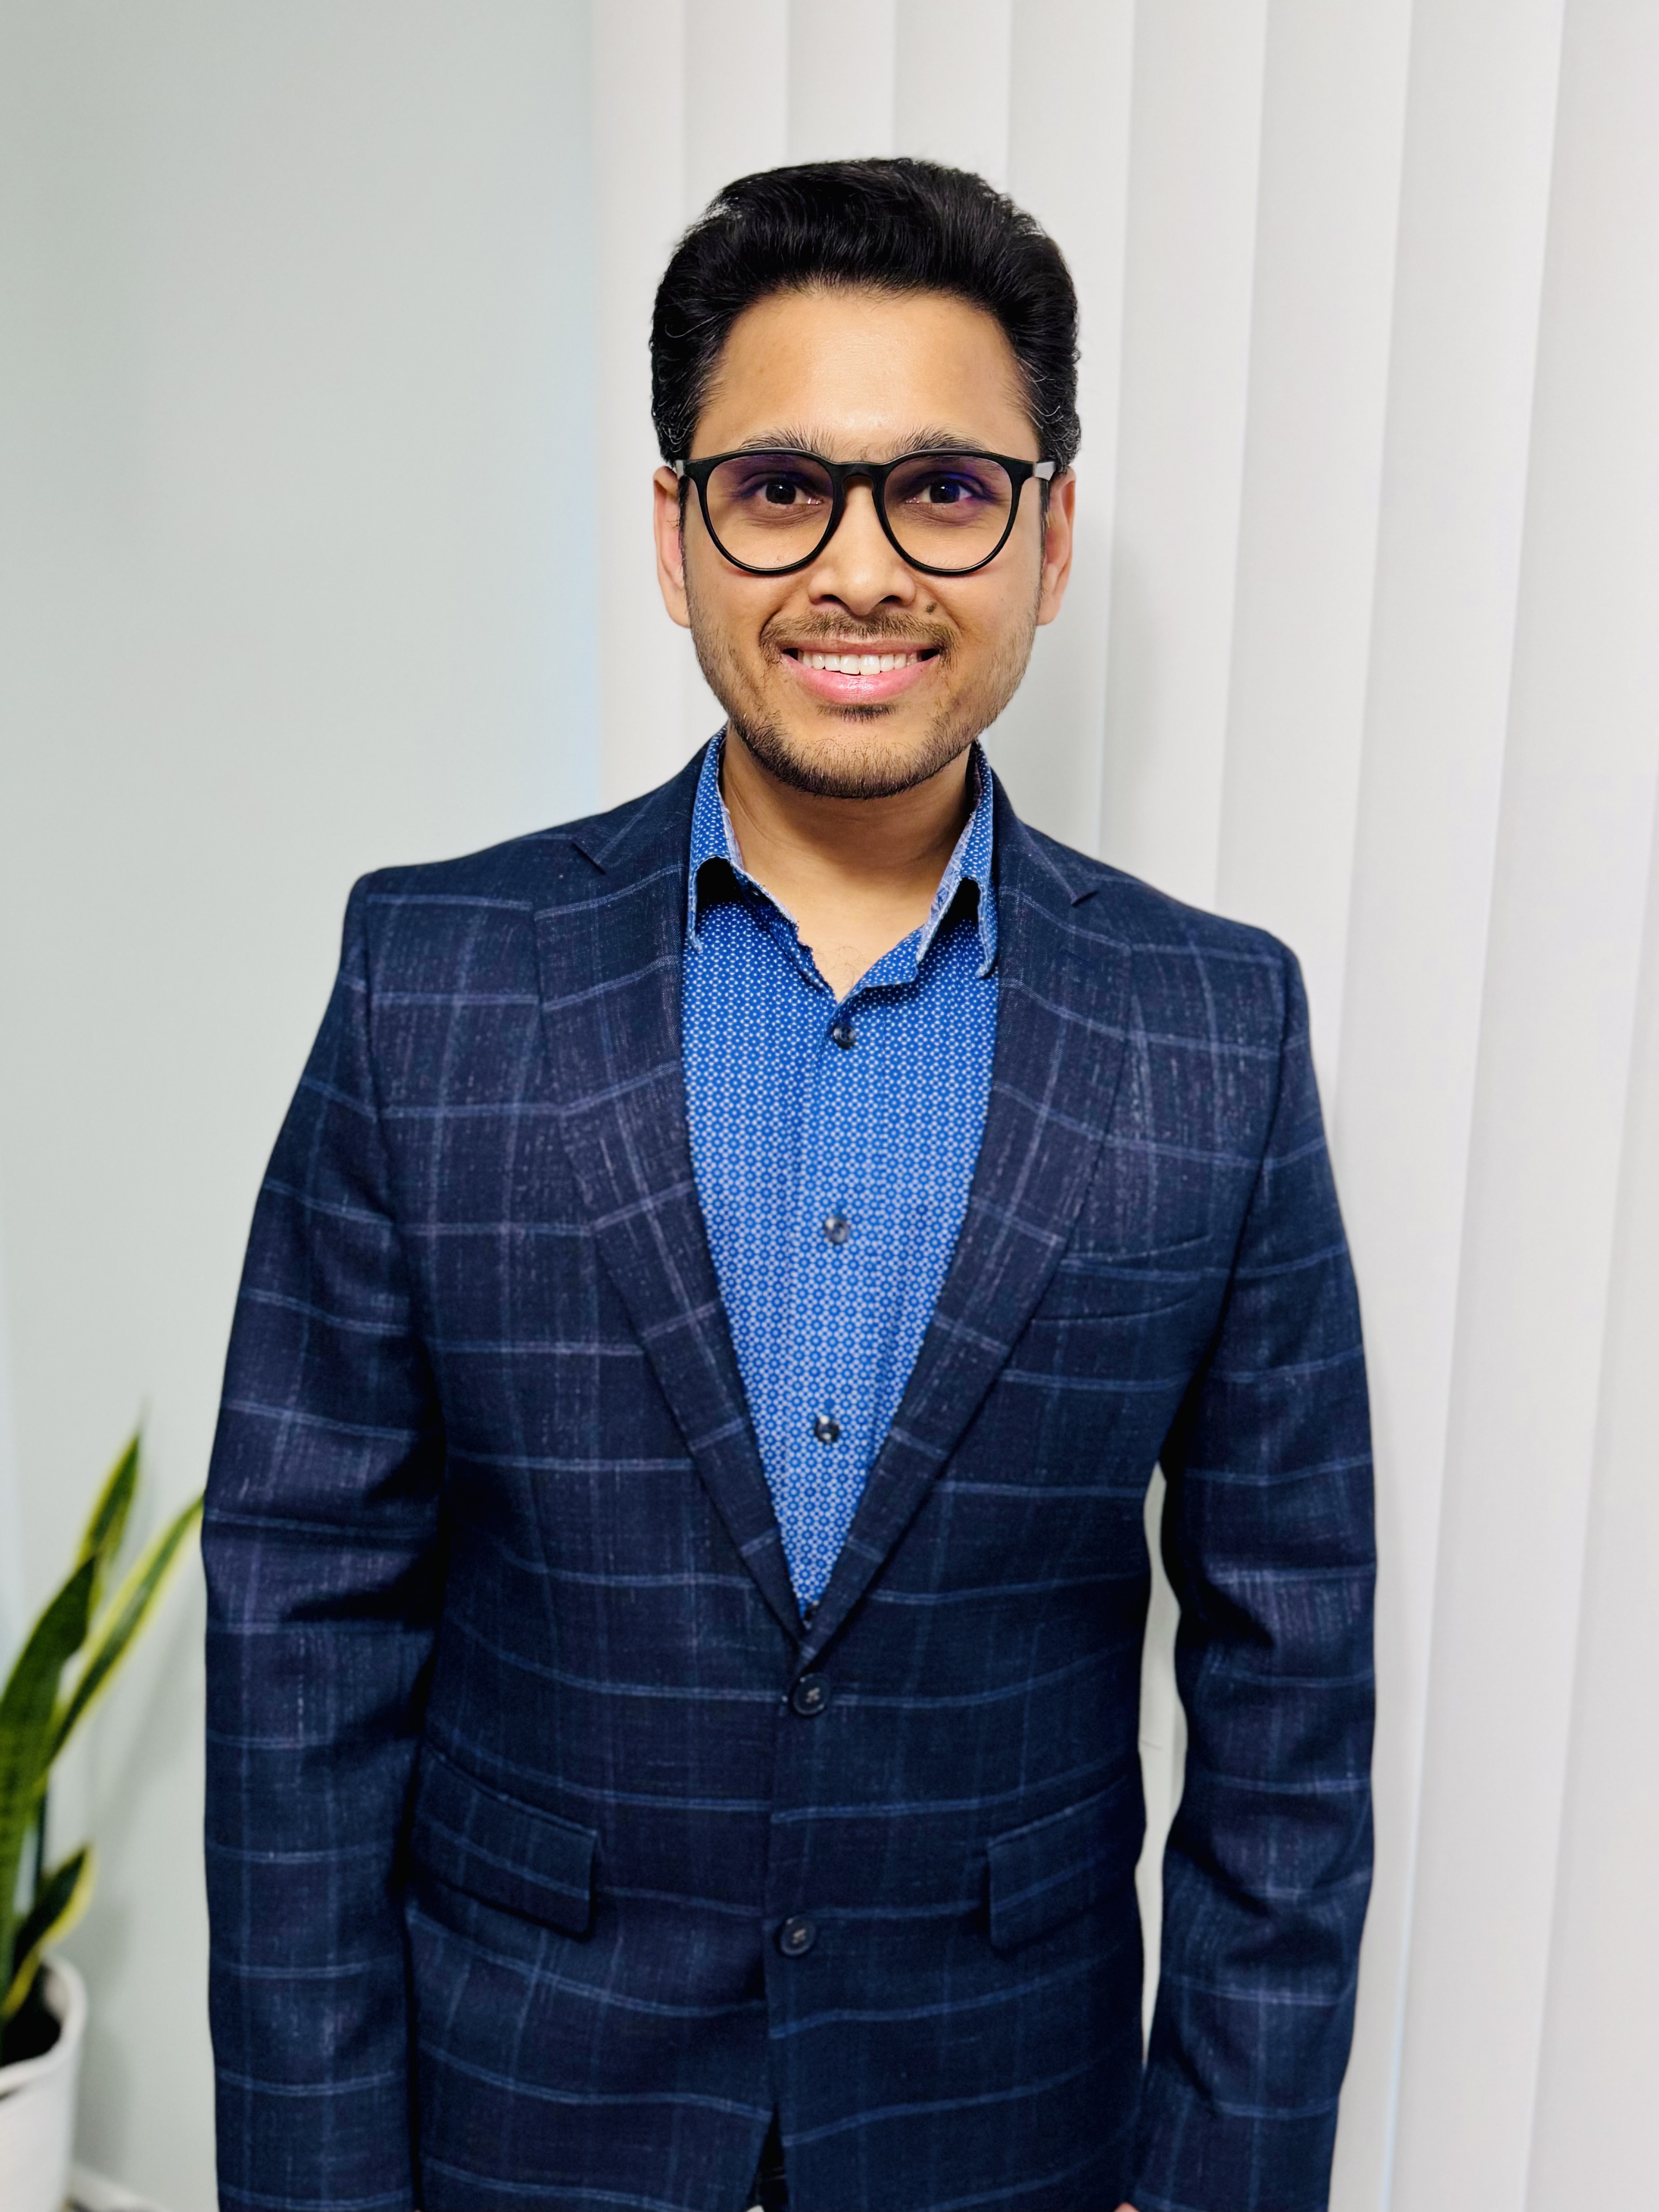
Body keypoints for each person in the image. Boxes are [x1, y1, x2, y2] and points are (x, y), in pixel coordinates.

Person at [203, 158, 1374, 2212]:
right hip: (517, 2110)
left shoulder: (1215, 1029)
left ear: (1048, 538)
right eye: (777, 490)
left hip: (995, 2119)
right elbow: (302, 1625)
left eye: (943, 490)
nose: (860, 569)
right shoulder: (434, 978)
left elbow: (1290, 1683)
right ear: (676, 534)